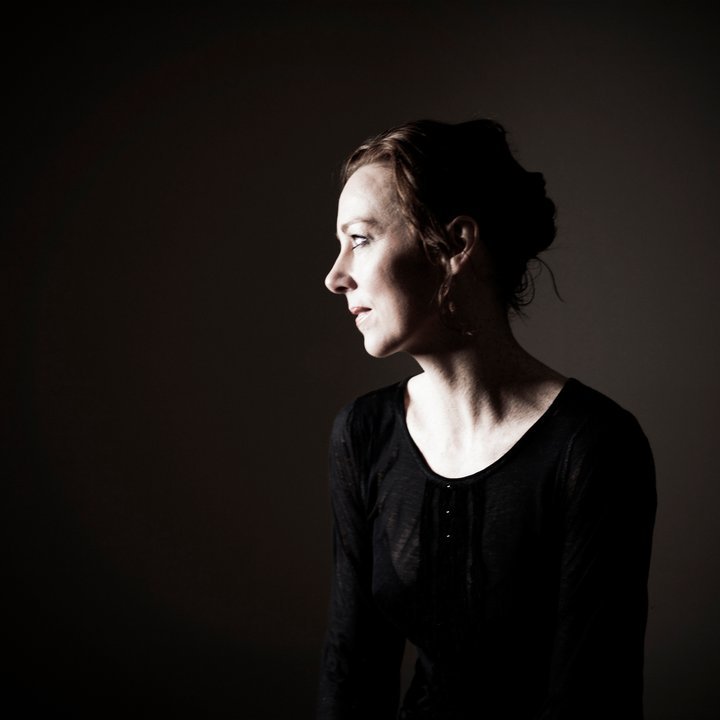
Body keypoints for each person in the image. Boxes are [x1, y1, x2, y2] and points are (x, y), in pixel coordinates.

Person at [316, 119, 656, 720]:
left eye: (360, 239)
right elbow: (352, 671)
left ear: (455, 245)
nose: (335, 276)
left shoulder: (594, 445)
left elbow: (593, 697)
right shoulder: (363, 433)